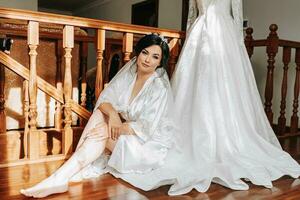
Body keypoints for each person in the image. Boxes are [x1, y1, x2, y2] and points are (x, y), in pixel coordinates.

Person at [20, 34, 177, 198]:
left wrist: (110, 129)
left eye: (155, 57)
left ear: (160, 62)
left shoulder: (158, 88)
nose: (147, 60)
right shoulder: (130, 73)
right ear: (138, 53)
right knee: (99, 114)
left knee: (102, 133)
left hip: (147, 144)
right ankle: (62, 177)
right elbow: (105, 99)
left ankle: (59, 178)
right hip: (126, 130)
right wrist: (113, 115)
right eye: (145, 53)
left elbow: (145, 127)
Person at [169, 0, 300, 193]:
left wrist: (238, 45)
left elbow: (237, 16)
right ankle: (195, 139)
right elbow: (191, 16)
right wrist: (189, 36)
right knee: (195, 85)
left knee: (226, 87)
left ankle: (230, 141)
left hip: (225, 35)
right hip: (198, 36)